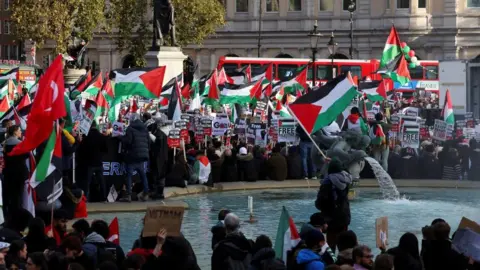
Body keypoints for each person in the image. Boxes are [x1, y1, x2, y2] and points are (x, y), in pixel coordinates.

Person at [315, 159, 352, 251]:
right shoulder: (346, 180)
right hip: (344, 216)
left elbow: (320, 203)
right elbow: (345, 170)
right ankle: (343, 262)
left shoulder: (327, 183)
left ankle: (332, 262)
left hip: (331, 219)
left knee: (331, 245)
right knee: (343, 245)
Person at [120, 113, 150, 202]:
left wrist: (120, 138)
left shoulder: (130, 128)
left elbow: (128, 141)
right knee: (143, 175)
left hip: (132, 156)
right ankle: (146, 193)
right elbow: (148, 142)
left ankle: (128, 195)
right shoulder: (145, 128)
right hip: (143, 156)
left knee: (129, 175)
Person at [77, 121, 107, 201]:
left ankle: (86, 199)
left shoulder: (86, 137)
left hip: (89, 163)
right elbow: (105, 149)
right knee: (102, 181)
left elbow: (81, 150)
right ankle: (104, 198)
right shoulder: (101, 136)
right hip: (99, 162)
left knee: (87, 183)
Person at [3, 125, 29, 216]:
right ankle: (18, 215)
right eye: (19, 130)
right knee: (18, 197)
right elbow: (27, 155)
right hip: (19, 174)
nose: (21, 132)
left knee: (11, 196)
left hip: (8, 174)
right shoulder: (19, 144)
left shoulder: (4, 144)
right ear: (15, 132)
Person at [145, 117, 168, 199]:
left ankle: (158, 192)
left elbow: (157, 144)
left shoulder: (159, 134)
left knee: (157, 175)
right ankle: (159, 192)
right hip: (163, 158)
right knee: (160, 176)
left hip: (158, 158)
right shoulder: (163, 134)